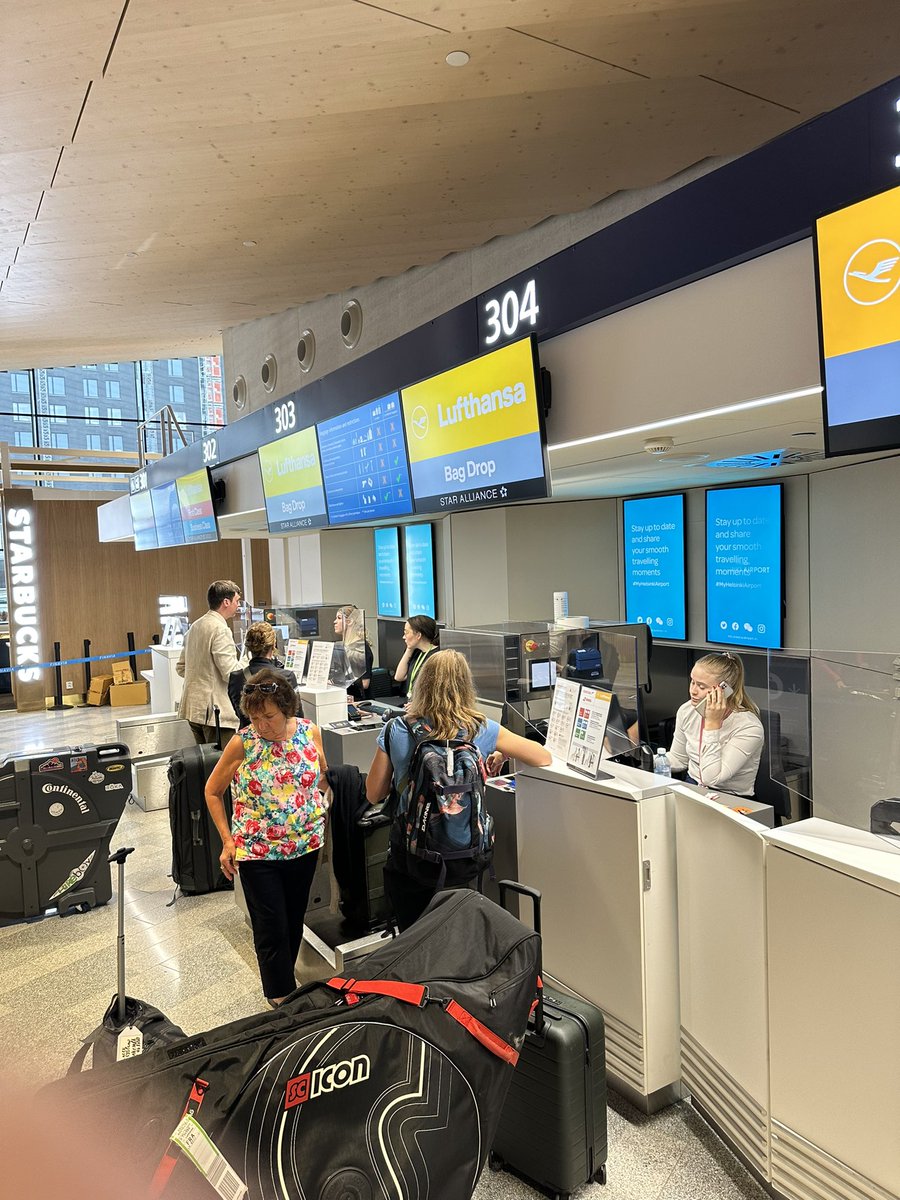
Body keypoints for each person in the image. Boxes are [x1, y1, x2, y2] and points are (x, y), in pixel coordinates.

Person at [365, 649, 552, 931]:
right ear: (466, 686)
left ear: (422, 684)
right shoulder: (483, 729)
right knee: (458, 938)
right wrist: (501, 753)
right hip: (464, 859)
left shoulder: (397, 729)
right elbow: (542, 756)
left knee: (414, 943)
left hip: (411, 859)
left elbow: (373, 794)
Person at [204, 668, 327, 1006]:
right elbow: (213, 791)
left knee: (293, 922)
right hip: (258, 852)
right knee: (270, 927)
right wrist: (228, 841)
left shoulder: (310, 733)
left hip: (304, 847)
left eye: (269, 716)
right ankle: (281, 999)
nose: (262, 725)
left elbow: (321, 779)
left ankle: (286, 990)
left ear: (287, 708)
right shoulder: (242, 743)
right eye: (255, 717)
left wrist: (320, 809)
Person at [667, 651, 764, 796]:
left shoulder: (749, 727)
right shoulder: (687, 710)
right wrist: (645, 759)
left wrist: (712, 724)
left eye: (701, 686)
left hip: (730, 797)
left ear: (724, 689)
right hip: (693, 787)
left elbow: (711, 778)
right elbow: (678, 760)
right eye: (692, 682)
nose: (692, 691)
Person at [176, 580, 242, 744]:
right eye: (237, 601)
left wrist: (204, 675)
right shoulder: (220, 629)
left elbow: (181, 667)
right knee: (223, 766)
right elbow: (231, 673)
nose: (238, 606)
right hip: (214, 713)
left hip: (193, 709)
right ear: (226, 602)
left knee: (205, 765)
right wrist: (248, 662)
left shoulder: (195, 627)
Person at [227, 621, 298, 728]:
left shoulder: (235, 678)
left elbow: (240, 713)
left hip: (248, 740)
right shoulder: (287, 677)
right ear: (274, 645)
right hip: (279, 738)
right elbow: (296, 717)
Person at [393, 615, 439, 701]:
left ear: (418, 635)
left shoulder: (437, 656)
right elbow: (399, 677)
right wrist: (409, 649)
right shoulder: (415, 651)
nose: (404, 637)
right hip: (410, 704)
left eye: (406, 633)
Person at [333, 604, 373, 701]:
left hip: (359, 701)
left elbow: (365, 683)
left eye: (339, 618)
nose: (335, 622)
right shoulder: (342, 646)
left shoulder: (362, 648)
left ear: (349, 621)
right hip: (343, 697)